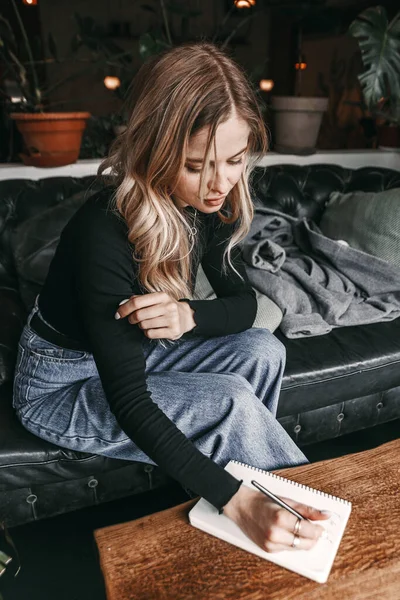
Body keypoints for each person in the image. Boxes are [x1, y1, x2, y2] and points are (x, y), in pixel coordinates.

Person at [13, 42, 328, 553]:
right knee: (228, 404)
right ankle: (301, 526)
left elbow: (246, 305)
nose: (220, 182)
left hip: (128, 354)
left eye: (234, 160)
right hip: (60, 385)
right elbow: (130, 400)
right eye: (196, 164)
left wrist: (186, 316)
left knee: (264, 349)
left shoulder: (207, 203)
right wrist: (236, 497)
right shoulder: (104, 231)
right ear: (154, 152)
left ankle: (240, 511)